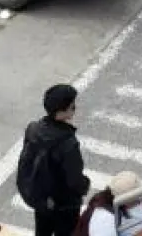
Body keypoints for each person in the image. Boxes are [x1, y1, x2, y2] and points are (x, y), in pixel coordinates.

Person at [18, 84, 90, 236]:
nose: (74, 108)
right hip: (64, 204)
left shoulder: (33, 129)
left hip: (41, 198)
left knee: (42, 231)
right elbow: (74, 180)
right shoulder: (67, 144)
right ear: (62, 111)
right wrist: (85, 185)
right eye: (72, 106)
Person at [77, 171, 142, 236]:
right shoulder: (105, 219)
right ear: (124, 200)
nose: (140, 201)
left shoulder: (108, 199)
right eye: (137, 198)